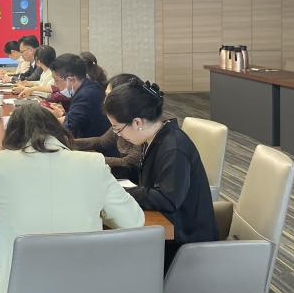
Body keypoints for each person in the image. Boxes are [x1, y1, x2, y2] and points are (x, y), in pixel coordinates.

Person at [0, 101, 144, 293]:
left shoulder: (1, 163)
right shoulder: (92, 163)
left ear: (11, 137)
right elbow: (133, 221)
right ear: (58, 130)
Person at [103, 79, 216, 271]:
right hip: (170, 230)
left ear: (137, 122)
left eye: (117, 129)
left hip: (184, 244)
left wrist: (119, 192)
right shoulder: (155, 137)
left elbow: (167, 199)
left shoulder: (173, 147)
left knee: (112, 257)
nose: (118, 135)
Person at [74, 73, 145, 182]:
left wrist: (89, 159)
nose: (104, 101)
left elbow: (129, 161)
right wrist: (68, 142)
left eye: (109, 96)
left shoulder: (140, 125)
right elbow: (102, 142)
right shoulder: (122, 120)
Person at [44, 52, 108, 138]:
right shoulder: (89, 86)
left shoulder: (85, 96)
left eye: (56, 81)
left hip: (92, 144)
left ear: (71, 80)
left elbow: (68, 130)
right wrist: (64, 114)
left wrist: (49, 120)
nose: (55, 85)